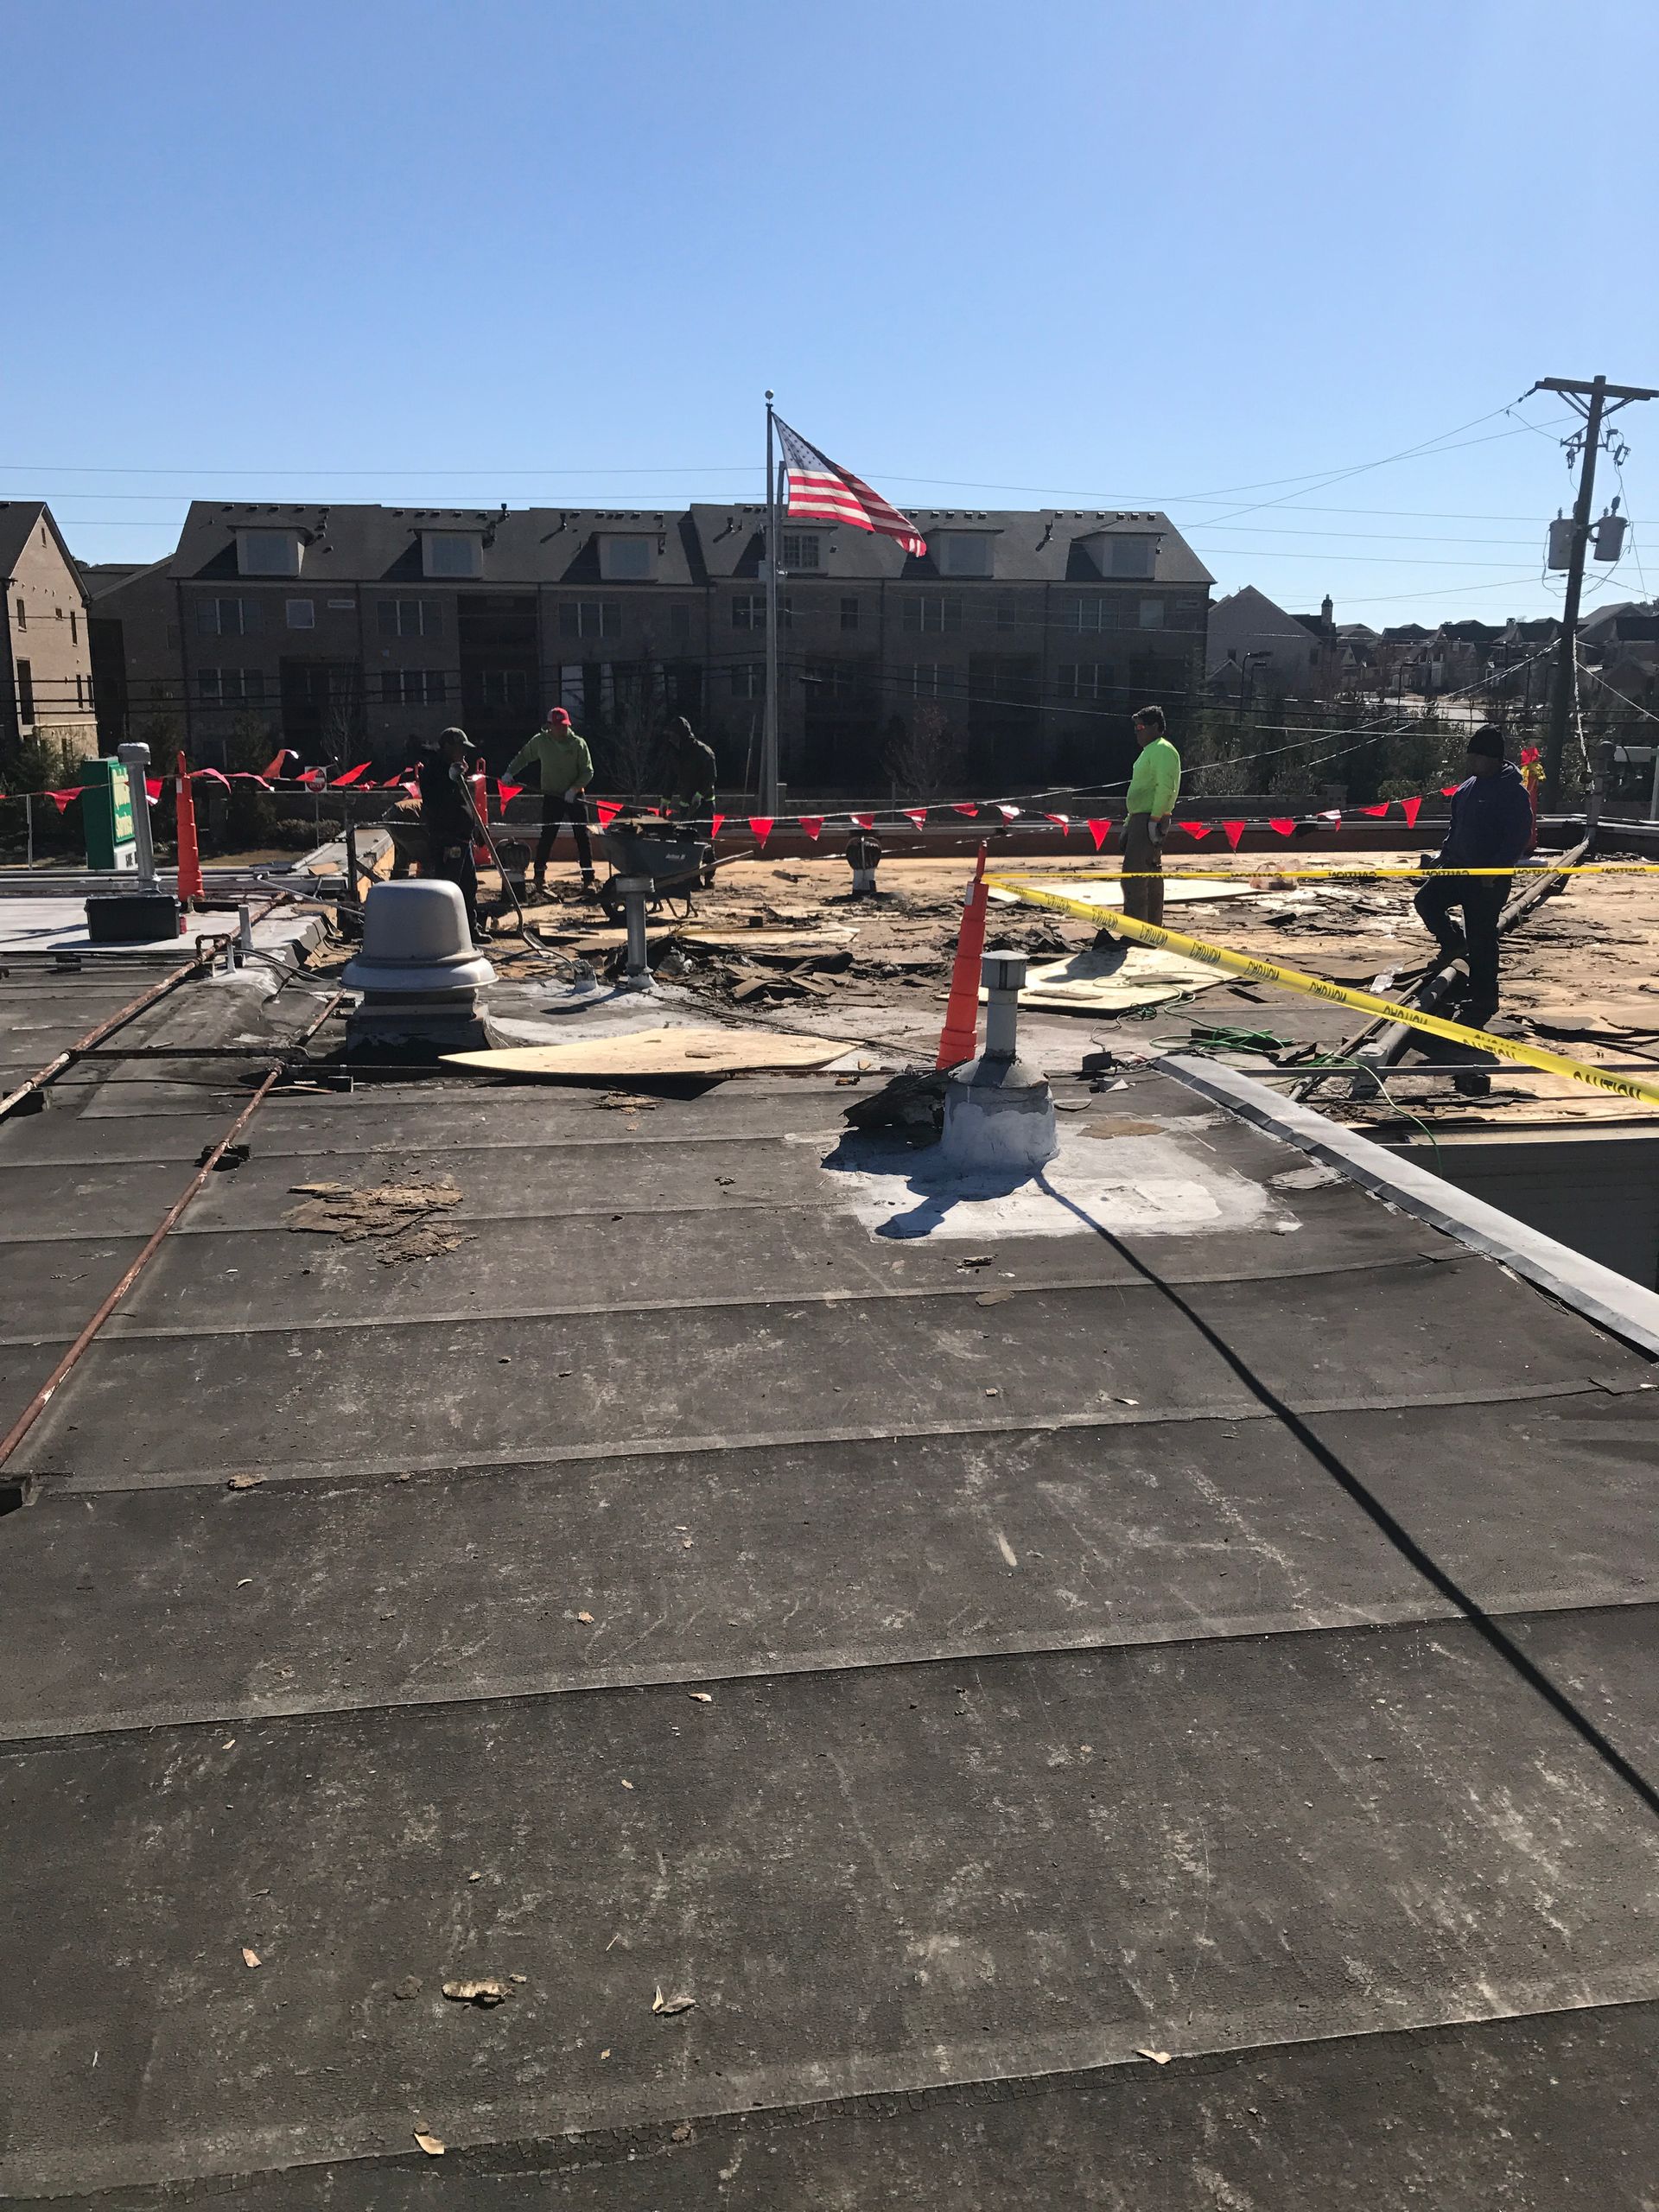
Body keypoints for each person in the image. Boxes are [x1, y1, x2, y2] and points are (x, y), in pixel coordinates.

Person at [1413, 723, 1535, 1029]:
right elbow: (1456, 828)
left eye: (1477, 757)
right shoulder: (1467, 789)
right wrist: (1443, 857)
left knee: (1482, 938)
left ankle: (1483, 997)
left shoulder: (1512, 793)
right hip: (1457, 870)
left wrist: (1496, 870)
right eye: (1471, 757)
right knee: (1426, 901)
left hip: (1487, 879)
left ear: (1493, 759)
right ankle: (1453, 943)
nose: (1472, 762)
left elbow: (1516, 838)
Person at [505, 706, 595, 900]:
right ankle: (539, 879)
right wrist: (510, 772)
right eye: (558, 726)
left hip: (575, 796)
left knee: (582, 837)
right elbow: (523, 757)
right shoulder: (540, 742)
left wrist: (574, 789)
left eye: (565, 726)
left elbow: (588, 771)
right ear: (550, 726)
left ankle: (589, 880)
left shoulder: (578, 744)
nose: (562, 730)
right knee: (547, 836)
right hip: (552, 795)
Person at [419, 726, 485, 943]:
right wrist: (451, 778)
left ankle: (470, 930)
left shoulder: (456, 771)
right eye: (460, 748)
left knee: (469, 885)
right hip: (447, 838)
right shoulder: (433, 772)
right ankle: (445, 934)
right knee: (448, 887)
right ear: (448, 747)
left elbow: (463, 804)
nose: (464, 753)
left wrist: (474, 827)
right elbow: (437, 803)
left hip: (463, 838)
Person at [1120, 704, 1181, 927]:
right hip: (1141, 818)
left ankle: (1137, 931)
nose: (1138, 731)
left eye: (1141, 727)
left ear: (1156, 727)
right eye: (1136, 727)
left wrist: (1155, 819)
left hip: (1148, 818)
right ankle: (1151, 929)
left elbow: (1166, 787)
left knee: (1135, 878)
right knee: (1149, 874)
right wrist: (1129, 824)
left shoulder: (1162, 750)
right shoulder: (1150, 751)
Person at [662, 716, 718, 822]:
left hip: (704, 805)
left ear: (680, 735)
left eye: (672, 735)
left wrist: (699, 795)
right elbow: (671, 777)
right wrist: (665, 800)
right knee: (684, 836)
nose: (670, 738)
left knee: (702, 837)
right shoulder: (675, 753)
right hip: (685, 804)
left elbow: (711, 776)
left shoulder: (703, 752)